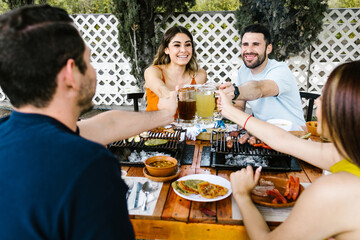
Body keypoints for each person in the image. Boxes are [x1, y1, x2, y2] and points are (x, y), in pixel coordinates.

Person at [0, 5, 177, 240]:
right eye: (89, 60)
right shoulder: (89, 166)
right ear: (71, 74)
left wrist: (165, 115)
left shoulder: (8, 132)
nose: (93, 71)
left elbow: (106, 126)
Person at [218, 60, 360, 239]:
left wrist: (241, 194)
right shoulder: (348, 154)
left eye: (324, 96)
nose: (316, 101)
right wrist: (229, 110)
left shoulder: (334, 191)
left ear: (346, 110)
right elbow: (285, 140)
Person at [220, 24, 305, 128]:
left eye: (256, 44)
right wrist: (224, 103)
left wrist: (235, 91)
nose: (249, 50)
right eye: (245, 44)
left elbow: (259, 89)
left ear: (268, 48)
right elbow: (239, 106)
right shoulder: (243, 71)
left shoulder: (280, 70)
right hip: (264, 134)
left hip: (294, 134)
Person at [144, 25, 207, 111]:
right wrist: (176, 96)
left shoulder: (199, 74)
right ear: (166, 50)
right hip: (156, 124)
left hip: (186, 124)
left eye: (188, 45)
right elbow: (160, 89)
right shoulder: (153, 71)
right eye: (177, 45)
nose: (183, 50)